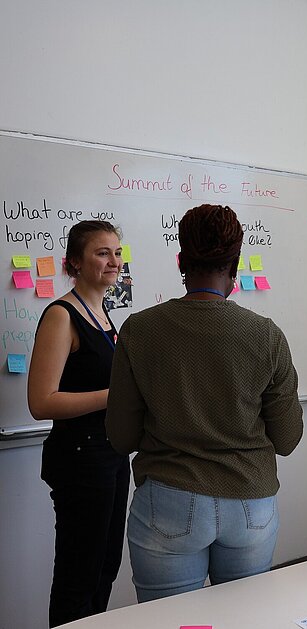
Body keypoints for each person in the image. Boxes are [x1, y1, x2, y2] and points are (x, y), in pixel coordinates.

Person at [105, 203, 303, 602]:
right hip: (251, 504)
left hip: (168, 502)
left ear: (181, 260)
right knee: (242, 618)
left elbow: (121, 437)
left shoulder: (138, 329)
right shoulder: (266, 335)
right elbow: (287, 438)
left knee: (172, 623)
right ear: (236, 263)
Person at [28, 220, 130, 627]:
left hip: (110, 456)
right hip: (80, 462)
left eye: (117, 253)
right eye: (102, 253)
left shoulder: (104, 315)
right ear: (74, 262)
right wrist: (115, 397)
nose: (114, 261)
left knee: (104, 570)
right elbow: (41, 402)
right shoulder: (61, 315)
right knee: (77, 578)